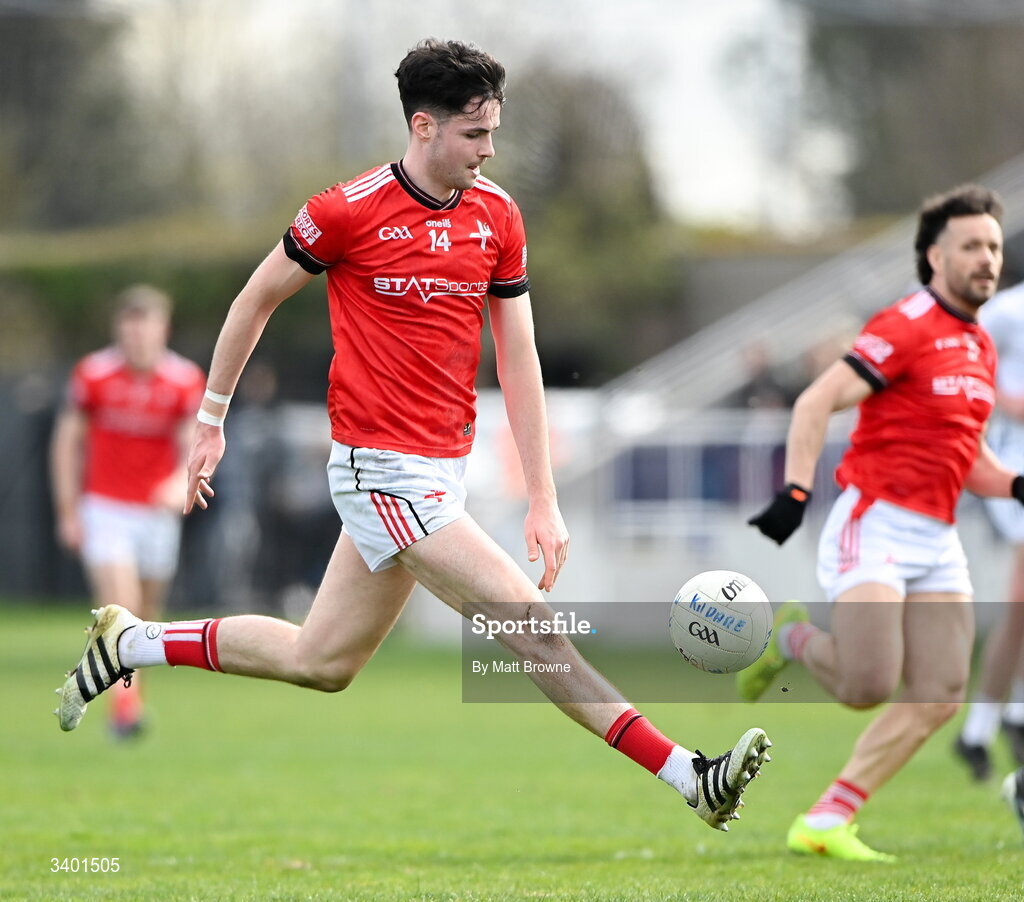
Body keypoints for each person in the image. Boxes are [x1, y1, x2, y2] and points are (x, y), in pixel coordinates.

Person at [53, 39, 771, 830]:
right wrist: (211, 420)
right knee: (535, 631)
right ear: (423, 126)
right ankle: (690, 777)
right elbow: (252, 301)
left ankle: (133, 644)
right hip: (379, 471)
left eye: (494, 132)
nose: (489, 150)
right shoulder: (345, 210)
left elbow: (520, 356)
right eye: (474, 134)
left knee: (320, 661)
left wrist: (543, 494)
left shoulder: (497, 214)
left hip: (444, 470)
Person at [742, 184, 1021, 861]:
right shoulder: (905, 325)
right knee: (870, 685)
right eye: (971, 247)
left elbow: (971, 457)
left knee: (939, 695)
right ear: (934, 256)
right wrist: (796, 493)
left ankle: (828, 819)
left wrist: (1016, 485)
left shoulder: (979, 345)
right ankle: (796, 639)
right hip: (876, 523)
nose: (987, 259)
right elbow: (815, 402)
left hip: (937, 535)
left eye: (993, 245)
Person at [50, 284, 204, 737]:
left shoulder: (183, 379)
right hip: (106, 508)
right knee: (122, 607)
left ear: (163, 329)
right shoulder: (93, 374)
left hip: (156, 515)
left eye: (146, 326)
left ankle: (131, 699)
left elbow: (190, 447)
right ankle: (125, 708)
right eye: (129, 326)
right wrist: (67, 511)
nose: (136, 337)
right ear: (119, 329)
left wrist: (177, 484)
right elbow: (67, 443)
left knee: (147, 618)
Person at [953, 280, 1024, 780]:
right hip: (1014, 465)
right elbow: (968, 372)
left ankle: (991, 726)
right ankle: (988, 723)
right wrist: (1014, 404)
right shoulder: (1006, 310)